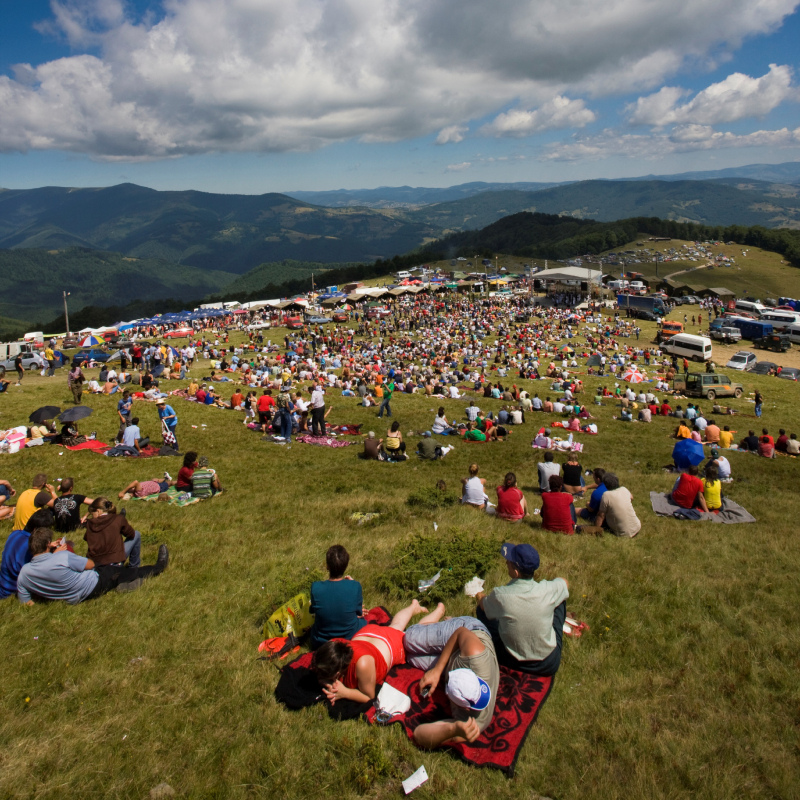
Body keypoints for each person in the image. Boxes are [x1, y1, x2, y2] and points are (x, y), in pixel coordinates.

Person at [310, 599, 431, 702]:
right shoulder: (332, 645)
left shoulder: (362, 664)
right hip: (367, 634)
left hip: (389, 645)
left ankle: (439, 610)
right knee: (396, 626)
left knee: (415, 635)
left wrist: (345, 693)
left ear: (337, 674)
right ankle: (413, 606)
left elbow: (369, 695)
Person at [475, 542, 568, 676]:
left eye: (509, 561)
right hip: (548, 664)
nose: (506, 562)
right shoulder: (546, 589)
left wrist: (480, 595)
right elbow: (564, 582)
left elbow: (484, 605)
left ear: (516, 572)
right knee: (560, 598)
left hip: (511, 661)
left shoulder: (501, 595)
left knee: (482, 611)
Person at [407, 618, 499, 749]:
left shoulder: (472, 724)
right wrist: (437, 671)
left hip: (453, 661)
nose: (471, 709)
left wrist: (452, 729)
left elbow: (418, 735)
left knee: (410, 658)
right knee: (409, 640)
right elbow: (460, 632)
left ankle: (439, 630)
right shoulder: (475, 654)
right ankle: (448, 621)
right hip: (470, 631)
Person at [16, 527, 169, 605]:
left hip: (69, 598)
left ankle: (122, 582)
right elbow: (89, 565)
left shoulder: (24, 573)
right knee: (120, 572)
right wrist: (57, 555)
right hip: (92, 585)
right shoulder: (62, 557)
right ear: (48, 544)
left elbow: (26, 602)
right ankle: (158, 567)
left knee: (110, 569)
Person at [309, 545, 366, 649]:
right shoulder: (355, 586)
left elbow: (313, 610)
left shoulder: (315, 587)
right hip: (350, 637)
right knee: (364, 621)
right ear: (345, 565)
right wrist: (352, 584)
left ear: (327, 566)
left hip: (322, 641)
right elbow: (359, 612)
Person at [0, 509, 53, 599]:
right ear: (37, 531)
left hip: (3, 583)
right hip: (14, 590)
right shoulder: (32, 547)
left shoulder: (15, 534)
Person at [84, 497, 141, 568]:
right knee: (137, 534)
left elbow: (86, 538)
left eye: (92, 514)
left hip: (95, 564)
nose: (93, 517)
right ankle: (133, 568)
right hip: (115, 562)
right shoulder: (118, 519)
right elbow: (131, 534)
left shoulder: (90, 524)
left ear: (98, 511)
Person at [594, 473, 641, 537]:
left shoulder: (606, 495)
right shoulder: (624, 489)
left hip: (622, 533)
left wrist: (596, 528)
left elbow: (601, 515)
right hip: (637, 527)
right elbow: (631, 497)